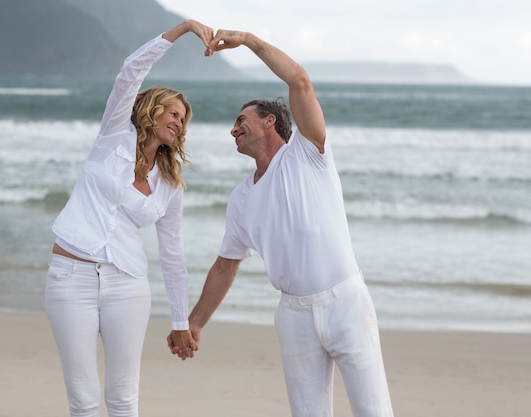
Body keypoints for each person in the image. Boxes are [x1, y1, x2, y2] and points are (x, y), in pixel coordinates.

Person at [168, 29, 395, 417]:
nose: (232, 129)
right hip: (293, 315)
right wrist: (194, 323)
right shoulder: (241, 198)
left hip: (346, 303)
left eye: (241, 120)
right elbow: (225, 265)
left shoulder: (307, 154)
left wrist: (248, 41)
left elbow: (299, 80)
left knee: (373, 411)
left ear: (270, 121)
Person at [45, 20, 210, 417]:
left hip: (129, 287)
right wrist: (183, 29)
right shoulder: (113, 134)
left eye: (183, 119)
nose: (178, 122)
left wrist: (180, 320)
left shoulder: (170, 184)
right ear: (150, 110)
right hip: (71, 278)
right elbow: (131, 71)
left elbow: (172, 255)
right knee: (83, 400)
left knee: (122, 398)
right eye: (172, 112)